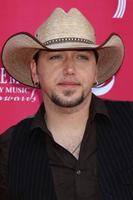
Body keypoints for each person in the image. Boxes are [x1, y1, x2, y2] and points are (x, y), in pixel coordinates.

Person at [0, 7, 133, 200]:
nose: (69, 68)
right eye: (55, 57)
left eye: (82, 57)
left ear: (95, 71)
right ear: (35, 70)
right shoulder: (7, 149)